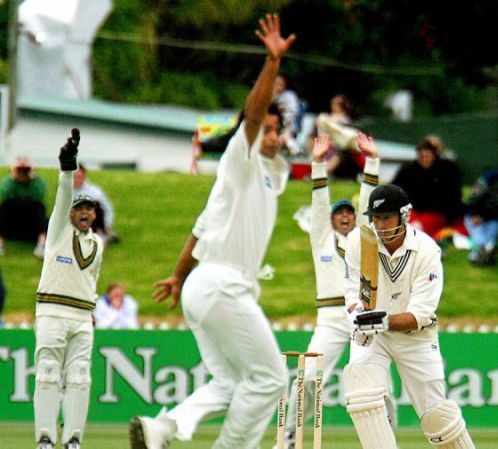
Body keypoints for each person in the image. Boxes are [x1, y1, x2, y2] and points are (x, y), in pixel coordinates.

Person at [128, 14, 295, 449]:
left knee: (230, 382)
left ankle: (162, 427)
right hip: (222, 285)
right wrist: (271, 65)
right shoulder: (241, 159)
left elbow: (196, 234)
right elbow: (254, 114)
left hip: (200, 286)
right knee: (270, 378)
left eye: (279, 131)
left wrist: (178, 277)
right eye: (269, 131)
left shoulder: (263, 175)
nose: (273, 136)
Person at [277, 132, 396, 448]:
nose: (344, 217)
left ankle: (387, 438)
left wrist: (372, 160)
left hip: (363, 318)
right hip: (330, 319)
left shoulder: (363, 241)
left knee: (378, 385)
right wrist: (316, 165)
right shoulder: (321, 241)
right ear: (331, 221)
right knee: (310, 376)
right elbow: (319, 207)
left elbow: (370, 204)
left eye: (349, 214)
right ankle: (290, 436)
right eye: (338, 214)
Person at [343, 184, 476, 449]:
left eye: (386, 218)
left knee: (438, 417)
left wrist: (383, 321)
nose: (380, 225)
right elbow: (352, 294)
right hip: (374, 337)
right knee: (362, 392)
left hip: (416, 338)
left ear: (404, 216)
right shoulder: (360, 242)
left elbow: (420, 314)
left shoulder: (427, 251)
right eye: (376, 218)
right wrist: (358, 317)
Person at [33, 128, 105, 449]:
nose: (85, 213)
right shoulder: (59, 231)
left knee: (80, 377)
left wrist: (92, 314)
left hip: (81, 316)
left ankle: (73, 439)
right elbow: (63, 197)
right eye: (79, 209)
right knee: (48, 372)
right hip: (52, 312)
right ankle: (46, 439)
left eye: (89, 209)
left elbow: (91, 282)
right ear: (70, 213)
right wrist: (67, 169)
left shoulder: (98, 244)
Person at [392, 136, 464, 242]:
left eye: (428, 156)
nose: (425, 159)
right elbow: (395, 189)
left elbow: (453, 199)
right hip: (413, 211)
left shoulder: (448, 170)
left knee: (416, 228)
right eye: (422, 156)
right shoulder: (409, 170)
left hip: (436, 214)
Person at [0, 156, 48, 257]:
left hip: (30, 225)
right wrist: (13, 176)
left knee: (39, 208)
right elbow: (5, 195)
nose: (22, 172)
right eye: (19, 169)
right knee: (5, 207)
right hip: (12, 223)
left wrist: (33, 177)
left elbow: (38, 196)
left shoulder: (36, 182)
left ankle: (41, 246)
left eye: (25, 169)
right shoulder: (8, 181)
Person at [73, 164, 119, 244]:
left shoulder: (94, 192)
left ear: (84, 177)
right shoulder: (65, 193)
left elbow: (108, 209)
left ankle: (102, 233)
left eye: (79, 177)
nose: (77, 180)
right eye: (74, 177)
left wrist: (107, 224)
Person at [272, 74, 303, 155]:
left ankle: (295, 150)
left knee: (285, 136)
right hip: (271, 126)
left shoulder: (290, 96)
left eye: (280, 85)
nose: (277, 87)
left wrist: (280, 112)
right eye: (275, 84)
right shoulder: (269, 94)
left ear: (285, 86)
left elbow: (293, 113)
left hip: (288, 126)